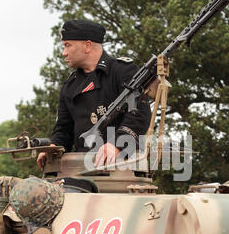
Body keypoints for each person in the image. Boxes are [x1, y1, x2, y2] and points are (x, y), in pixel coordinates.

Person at [37, 19, 152, 171]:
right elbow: (64, 129)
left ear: (87, 46)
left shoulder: (122, 72)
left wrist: (117, 144)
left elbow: (139, 113)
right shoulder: (70, 86)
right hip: (81, 169)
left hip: (122, 168)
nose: (64, 52)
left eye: (68, 45)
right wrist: (52, 147)